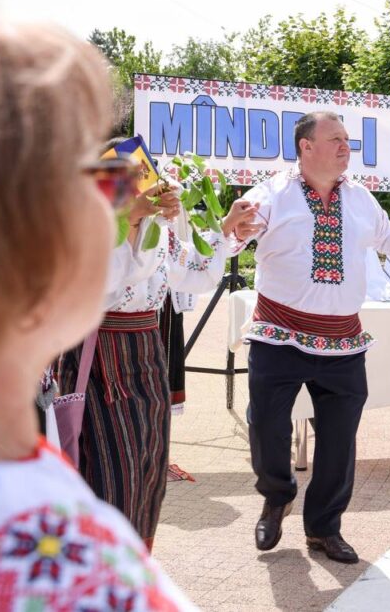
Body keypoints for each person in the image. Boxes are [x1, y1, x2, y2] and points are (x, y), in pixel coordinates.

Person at [0, 16, 196, 609]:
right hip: (101, 362)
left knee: (139, 478)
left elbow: (180, 272)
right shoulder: (63, 553)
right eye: (87, 175)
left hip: (138, 354)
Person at [222, 111, 390, 562]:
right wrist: (233, 228)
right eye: (335, 139)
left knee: (339, 438)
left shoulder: (361, 198)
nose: (346, 147)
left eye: (348, 139)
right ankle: (277, 493)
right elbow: (238, 235)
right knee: (266, 424)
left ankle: (324, 528)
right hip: (279, 334)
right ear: (306, 147)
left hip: (343, 341)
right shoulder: (273, 193)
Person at [55, 144, 233, 551]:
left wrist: (224, 233)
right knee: (108, 470)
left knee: (147, 466)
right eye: (134, 179)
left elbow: (195, 275)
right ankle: (97, 570)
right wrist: (130, 221)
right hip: (97, 356)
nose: (147, 186)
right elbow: (99, 290)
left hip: (146, 354)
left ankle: (132, 568)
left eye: (146, 176)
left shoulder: (159, 231)